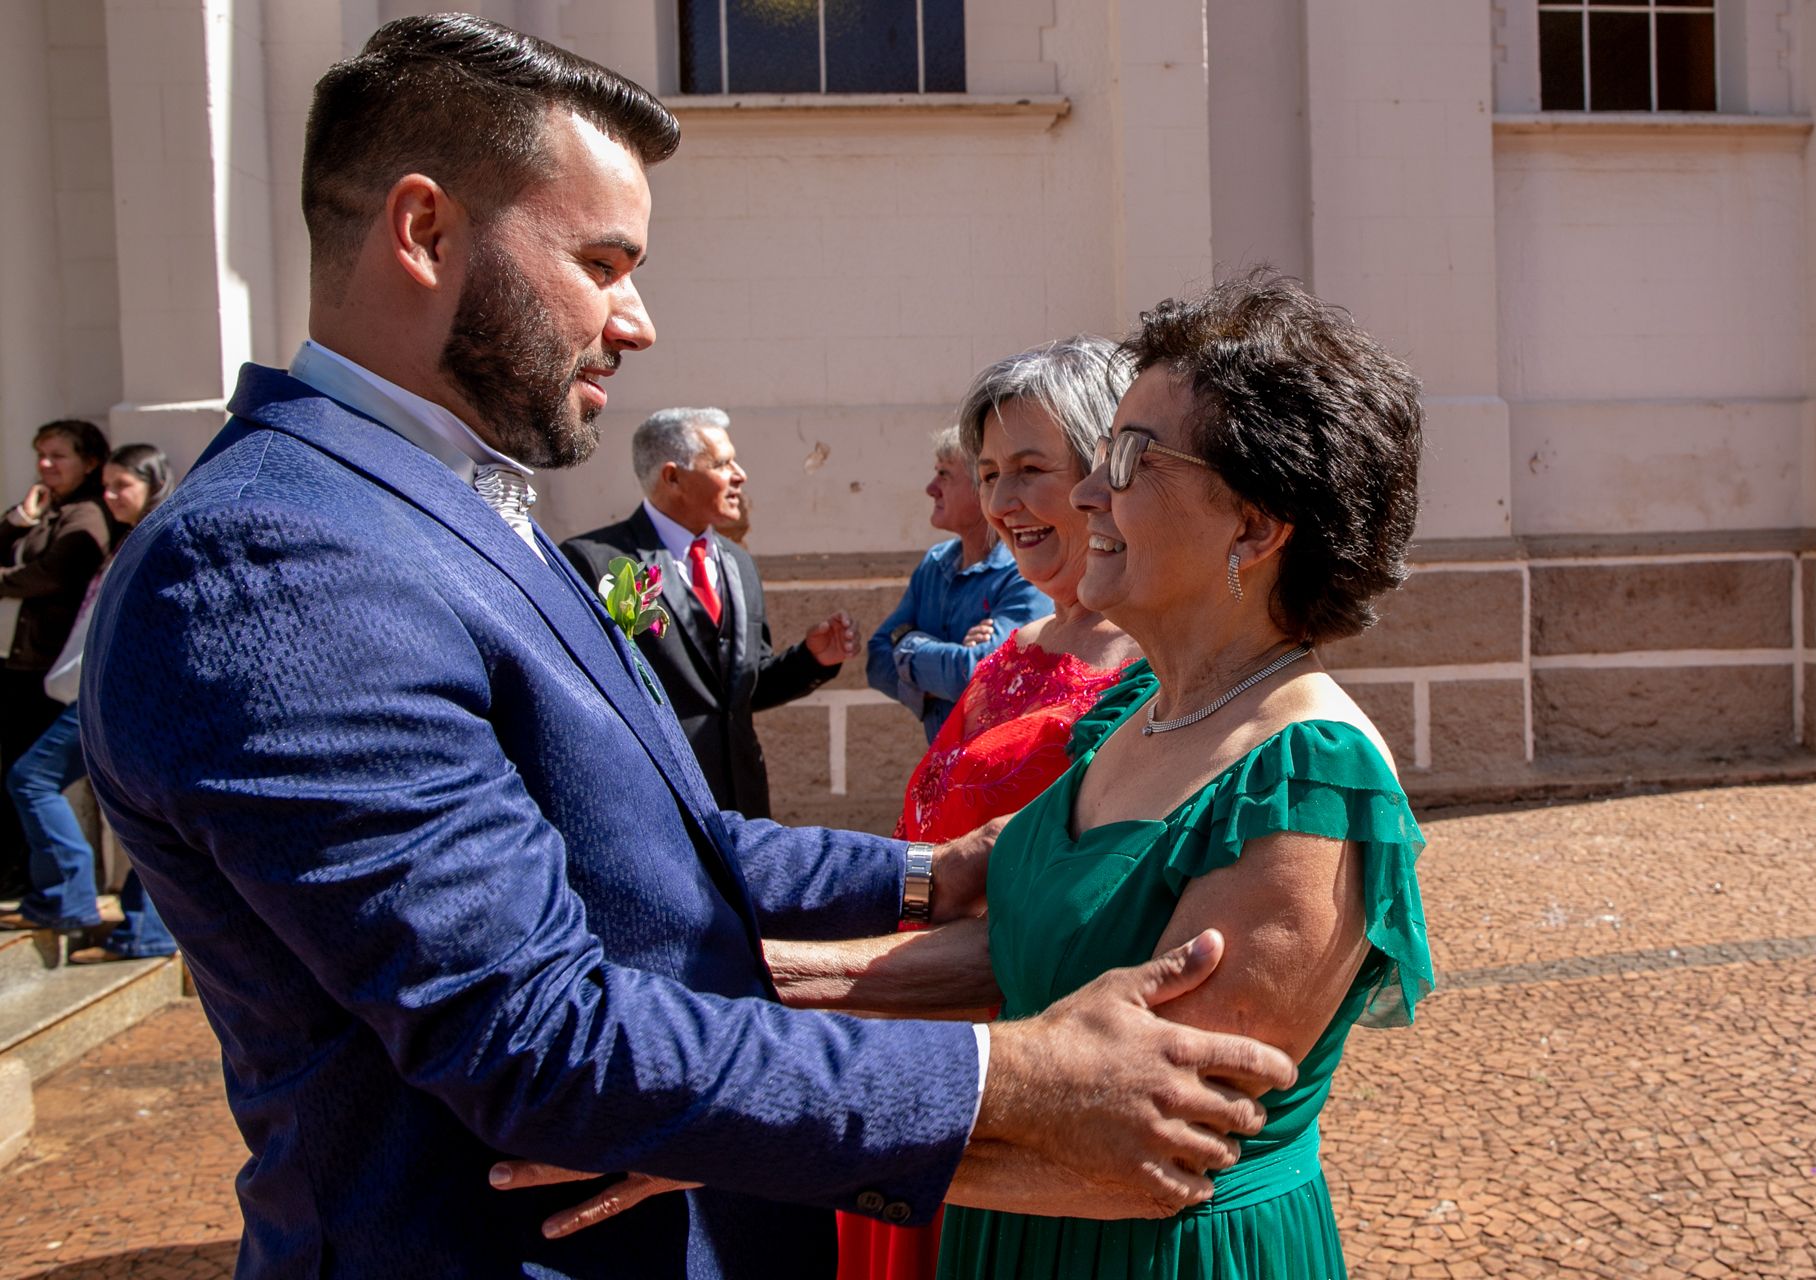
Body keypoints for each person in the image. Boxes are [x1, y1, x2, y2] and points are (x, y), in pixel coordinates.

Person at [77, 18, 1299, 1280]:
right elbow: (530, 1033)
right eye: (603, 262)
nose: (638, 320)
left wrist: (929, 878)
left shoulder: (431, 501)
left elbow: (650, 839)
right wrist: (1012, 1076)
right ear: (424, 230)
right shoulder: (279, 562)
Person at [938, 271, 1436, 1278]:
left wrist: (759, 1133)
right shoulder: (1137, 710)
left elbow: (1137, 1145)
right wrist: (761, 993)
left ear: (1253, 527)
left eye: (1126, 457)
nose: (1086, 491)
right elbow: (1019, 952)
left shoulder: (1308, 773)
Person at [840, 336, 1144, 1280]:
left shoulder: (1146, 662)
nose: (1003, 502)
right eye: (988, 473)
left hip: (1006, 1045)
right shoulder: (1020, 645)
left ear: (1105, 473)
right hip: (916, 1019)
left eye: (1029, 470)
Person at [560, 407, 855, 818]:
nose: (740, 475)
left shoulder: (738, 563)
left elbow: (738, 694)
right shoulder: (599, 563)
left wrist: (811, 660)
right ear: (672, 477)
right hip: (658, 804)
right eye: (721, 464)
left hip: (743, 807)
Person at [1, 445, 176, 962]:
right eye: (107, 485)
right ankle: (123, 922)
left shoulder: (156, 537)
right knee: (142, 803)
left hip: (118, 691)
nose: (110, 495)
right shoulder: (133, 537)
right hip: (109, 690)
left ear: (152, 485)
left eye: (122, 485)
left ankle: (75, 901)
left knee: (32, 778)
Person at [866, 426, 1047, 743]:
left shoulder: (1023, 569)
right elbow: (877, 660)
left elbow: (987, 678)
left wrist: (910, 644)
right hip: (943, 777)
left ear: (983, 489)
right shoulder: (934, 565)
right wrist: (944, 677)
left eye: (944, 475)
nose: (930, 488)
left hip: (1001, 778)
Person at [1, 419, 112, 898]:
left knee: (30, 777)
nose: (45, 465)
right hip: (23, 666)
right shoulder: (46, 510)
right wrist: (19, 521)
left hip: (52, 674)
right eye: (40, 455)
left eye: (57, 456)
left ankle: (49, 883)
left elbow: (50, 576)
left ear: (88, 463)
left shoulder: (85, 516)